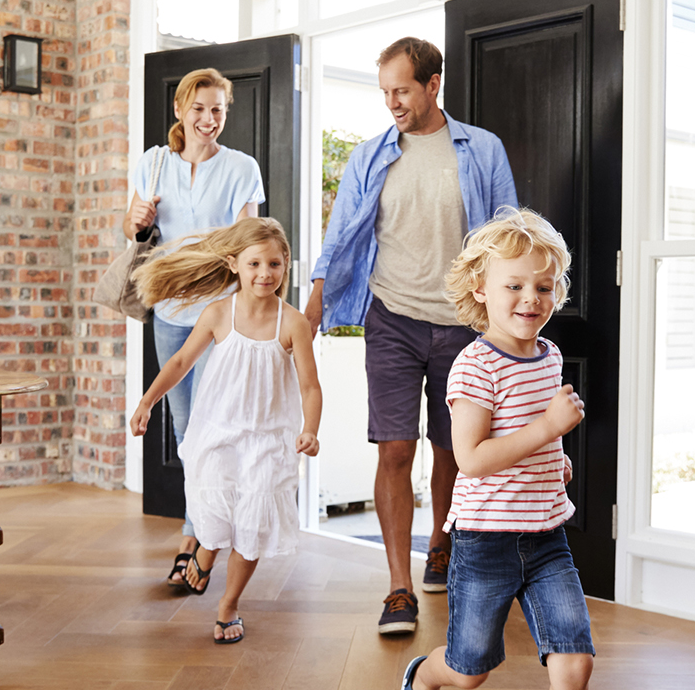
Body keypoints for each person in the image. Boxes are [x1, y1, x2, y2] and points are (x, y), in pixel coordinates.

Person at [390, 209, 623, 690]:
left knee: (574, 664)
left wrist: (557, 460)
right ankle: (426, 675)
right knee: (472, 668)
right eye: (514, 285)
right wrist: (547, 430)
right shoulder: (474, 367)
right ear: (480, 291)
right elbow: (472, 457)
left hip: (547, 542)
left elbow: (527, 443)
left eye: (543, 287)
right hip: (485, 545)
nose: (530, 299)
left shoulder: (548, 355)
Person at [306, 36, 518, 635]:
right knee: (395, 448)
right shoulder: (370, 155)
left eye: (402, 90)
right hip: (392, 317)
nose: (392, 103)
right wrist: (315, 304)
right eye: (385, 92)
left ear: (433, 84)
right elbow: (341, 233)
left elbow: (507, 234)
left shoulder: (481, 150)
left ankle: (441, 546)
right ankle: (398, 587)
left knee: (453, 449)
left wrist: (511, 315)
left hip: (462, 325)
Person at [129, 218, 322, 642]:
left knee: (251, 527)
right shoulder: (218, 313)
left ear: (286, 263)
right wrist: (147, 400)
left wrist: (310, 429)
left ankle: (228, 605)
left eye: (274, 263)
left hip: (269, 439)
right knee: (214, 509)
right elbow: (180, 362)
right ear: (234, 264)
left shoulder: (292, 324)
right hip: (218, 432)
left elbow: (310, 385)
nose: (265, 274)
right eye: (254, 264)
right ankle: (204, 551)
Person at [123, 68, 266, 591]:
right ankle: (202, 526)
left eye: (218, 111)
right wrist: (137, 217)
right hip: (168, 312)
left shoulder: (241, 168)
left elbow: (249, 240)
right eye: (200, 109)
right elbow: (132, 230)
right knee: (187, 433)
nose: (209, 120)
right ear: (181, 108)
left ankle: (196, 536)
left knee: (214, 428)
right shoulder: (152, 162)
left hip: (217, 315)